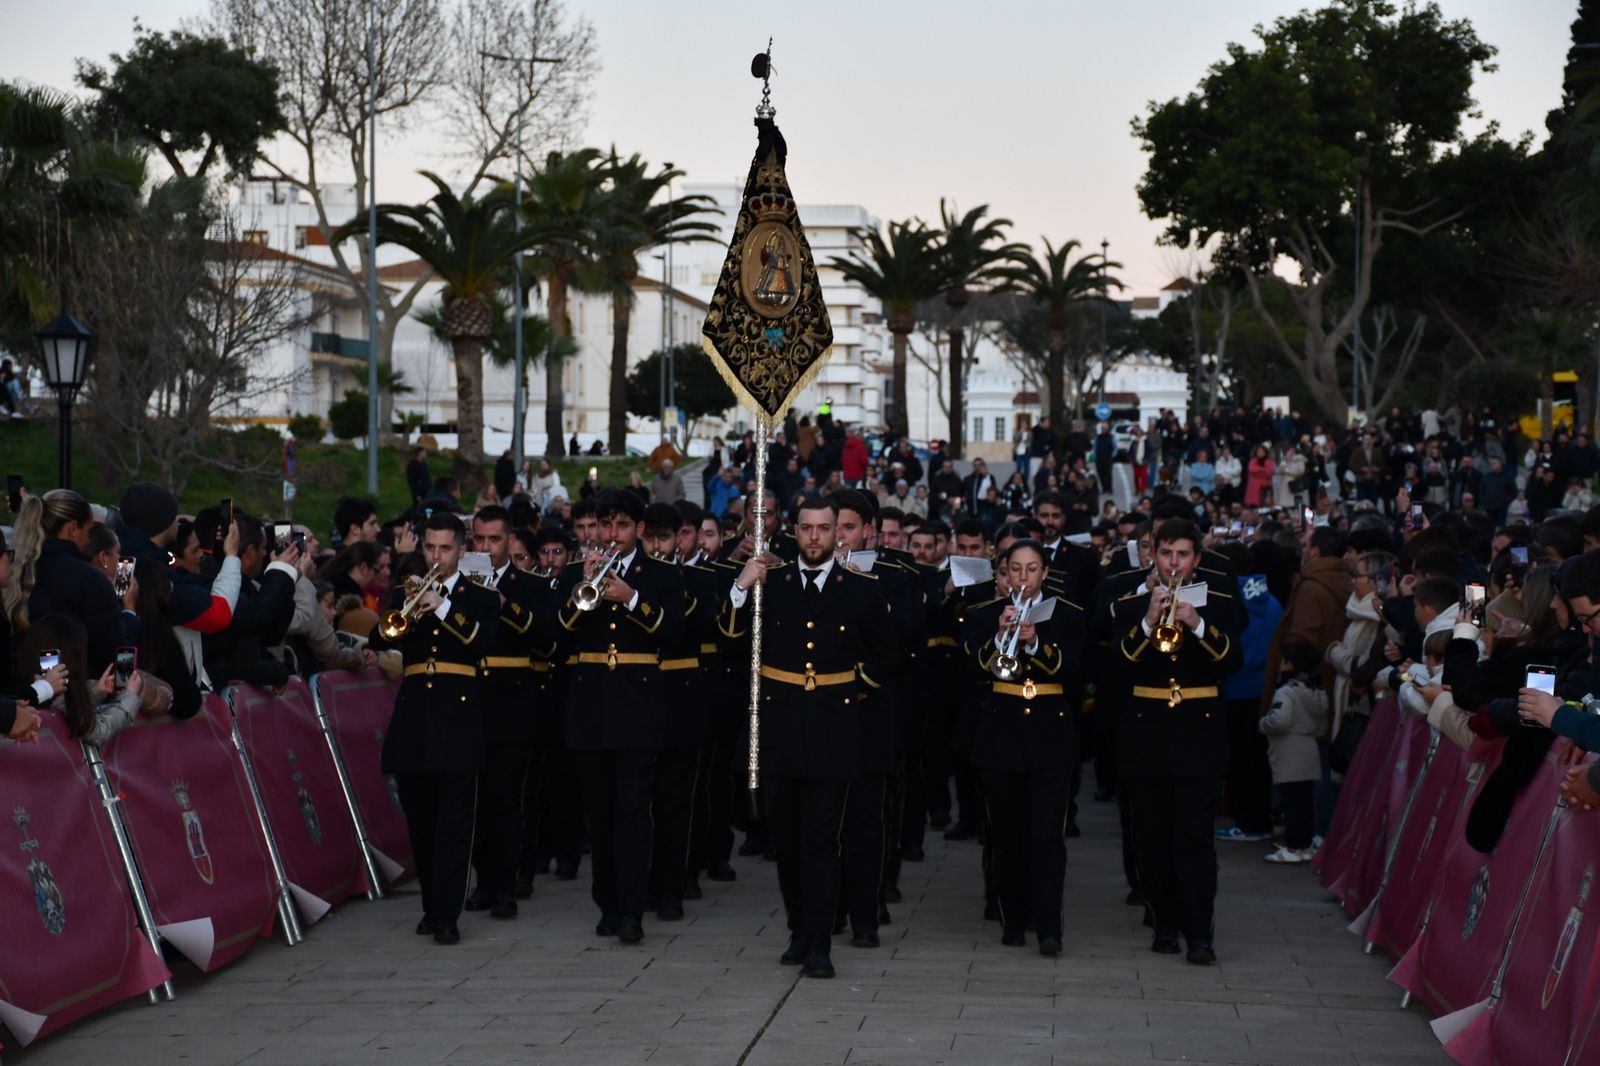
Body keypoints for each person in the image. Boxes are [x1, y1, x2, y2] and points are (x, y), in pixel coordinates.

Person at [724, 498, 892, 978]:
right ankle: (799, 928)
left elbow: (884, 655)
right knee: (788, 841)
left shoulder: (859, 588)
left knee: (821, 841)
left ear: (838, 534)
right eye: (807, 528)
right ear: (793, 532)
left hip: (833, 728)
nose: (816, 537)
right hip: (779, 727)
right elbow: (731, 636)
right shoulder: (769, 582)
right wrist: (740, 587)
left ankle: (819, 942)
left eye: (825, 528)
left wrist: (853, 689)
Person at [555, 489, 684, 944]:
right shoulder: (577, 573)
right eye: (605, 525)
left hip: (639, 709)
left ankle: (632, 910)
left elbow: (676, 634)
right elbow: (558, 637)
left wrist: (631, 599)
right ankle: (607, 904)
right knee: (599, 814)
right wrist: (581, 588)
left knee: (632, 812)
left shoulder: (661, 575)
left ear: (640, 529)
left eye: (622, 526)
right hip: (590, 710)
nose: (612, 535)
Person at [1113, 519, 1241, 965]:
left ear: (1196, 560)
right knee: (1153, 838)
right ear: (1154, 555)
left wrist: (1199, 624)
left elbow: (1233, 659)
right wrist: (1149, 621)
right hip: (1146, 735)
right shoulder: (1133, 601)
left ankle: (1199, 933)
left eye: (1182, 555)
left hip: (1199, 734)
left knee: (1194, 839)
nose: (1173, 563)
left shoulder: (1221, 598)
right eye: (1166, 553)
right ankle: (1164, 925)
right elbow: (1116, 663)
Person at [369, 513, 500, 945]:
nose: (436, 556)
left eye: (445, 549)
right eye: (429, 548)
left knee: (454, 825)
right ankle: (430, 906)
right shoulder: (408, 589)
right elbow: (381, 637)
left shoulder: (478, 595)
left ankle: (448, 914)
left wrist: (442, 606)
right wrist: (400, 598)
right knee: (421, 825)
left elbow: (484, 642)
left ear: (461, 550)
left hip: (459, 719)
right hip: (414, 718)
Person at [963, 538, 1084, 956]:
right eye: (1016, 569)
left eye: (1032, 569)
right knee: (1006, 835)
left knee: (1047, 837)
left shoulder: (1067, 614)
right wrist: (1001, 635)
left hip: (1050, 736)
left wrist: (1035, 644)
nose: (1024, 577)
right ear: (1005, 573)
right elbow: (972, 668)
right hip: (1000, 735)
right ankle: (1012, 919)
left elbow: (1077, 670)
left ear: (1044, 574)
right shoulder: (981, 614)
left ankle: (1049, 926)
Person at [465, 505, 556, 920]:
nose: (486, 548)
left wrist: (503, 603)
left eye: (494, 541)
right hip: (468, 702)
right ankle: (482, 882)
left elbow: (546, 640)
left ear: (509, 541)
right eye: (479, 540)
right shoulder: (460, 583)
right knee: (475, 801)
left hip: (513, 704)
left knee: (506, 800)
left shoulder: (530, 585)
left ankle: (505, 886)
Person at [5, 489, 130, 674]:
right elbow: (115, 654)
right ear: (73, 528)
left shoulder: (15, 572)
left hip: (23, 689)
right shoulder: (89, 580)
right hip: (79, 691)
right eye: (87, 530)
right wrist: (130, 613)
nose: (88, 538)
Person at [23, 614, 146, 746]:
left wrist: (95, 691)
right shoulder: (55, 696)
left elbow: (66, 704)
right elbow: (96, 732)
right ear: (74, 659)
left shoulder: (25, 687)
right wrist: (129, 697)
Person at [1258, 640, 1329, 864]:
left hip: (1289, 752)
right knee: (1305, 803)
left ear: (1290, 665)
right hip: (1309, 750)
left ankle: (1293, 846)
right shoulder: (1316, 691)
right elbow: (1321, 725)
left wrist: (1264, 723)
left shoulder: (1286, 692)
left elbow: (1280, 719)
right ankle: (1305, 845)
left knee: (1292, 804)